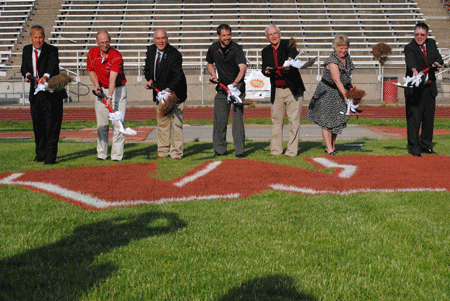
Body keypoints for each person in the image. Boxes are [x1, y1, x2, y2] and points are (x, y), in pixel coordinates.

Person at [21, 25, 67, 165]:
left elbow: (52, 66)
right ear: (30, 38)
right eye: (35, 37)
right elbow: (24, 67)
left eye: (40, 37)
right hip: (35, 94)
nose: (38, 40)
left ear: (44, 37)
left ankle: (50, 157)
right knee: (38, 125)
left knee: (51, 126)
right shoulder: (26, 50)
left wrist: (45, 77)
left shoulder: (52, 50)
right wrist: (27, 75)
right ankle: (40, 154)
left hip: (51, 94)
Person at [305, 35, 355, 155]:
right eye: (340, 48)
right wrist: (346, 95)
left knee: (337, 120)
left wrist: (350, 86)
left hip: (339, 91)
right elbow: (337, 80)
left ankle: (332, 146)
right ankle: (329, 149)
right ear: (335, 47)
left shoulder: (347, 58)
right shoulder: (332, 60)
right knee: (327, 121)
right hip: (327, 92)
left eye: (345, 48)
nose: (343, 50)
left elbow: (345, 76)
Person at [262, 25, 306, 157]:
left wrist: (290, 60)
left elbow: (293, 54)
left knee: (294, 121)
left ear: (280, 34)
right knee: (276, 121)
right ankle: (276, 150)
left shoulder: (288, 44)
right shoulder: (265, 51)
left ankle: (292, 151)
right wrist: (266, 71)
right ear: (267, 37)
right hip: (277, 90)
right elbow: (264, 68)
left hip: (292, 89)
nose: (273, 36)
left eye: (275, 33)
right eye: (270, 34)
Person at [144, 28, 187, 160]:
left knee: (176, 124)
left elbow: (177, 75)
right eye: (158, 38)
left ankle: (176, 153)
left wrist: (168, 90)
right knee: (162, 123)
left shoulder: (175, 54)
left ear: (167, 39)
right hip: (160, 94)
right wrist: (149, 79)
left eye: (163, 38)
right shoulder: (151, 50)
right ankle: (162, 152)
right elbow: (147, 69)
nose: (161, 41)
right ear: (154, 39)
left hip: (175, 94)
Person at [206, 24, 247, 158]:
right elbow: (209, 63)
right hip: (222, 89)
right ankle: (220, 149)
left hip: (237, 88)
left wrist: (235, 84)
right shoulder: (213, 48)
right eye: (224, 35)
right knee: (220, 120)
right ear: (218, 36)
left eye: (229, 35)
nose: (227, 37)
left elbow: (242, 68)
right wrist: (213, 75)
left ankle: (240, 150)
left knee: (237, 120)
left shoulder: (236, 48)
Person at [87, 30, 127, 162]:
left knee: (118, 123)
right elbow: (91, 71)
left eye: (107, 42)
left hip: (117, 90)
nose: (105, 45)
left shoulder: (116, 55)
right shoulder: (92, 54)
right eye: (102, 42)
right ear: (96, 42)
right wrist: (96, 84)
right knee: (102, 125)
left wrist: (109, 97)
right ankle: (102, 154)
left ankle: (116, 156)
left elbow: (113, 79)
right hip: (101, 90)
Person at [404, 22, 443, 157]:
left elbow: (439, 58)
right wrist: (414, 71)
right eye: (416, 34)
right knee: (414, 119)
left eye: (422, 34)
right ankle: (414, 147)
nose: (419, 37)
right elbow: (411, 62)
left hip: (429, 88)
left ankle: (426, 145)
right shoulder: (409, 47)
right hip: (415, 90)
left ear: (427, 35)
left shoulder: (431, 44)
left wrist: (438, 64)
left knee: (428, 119)